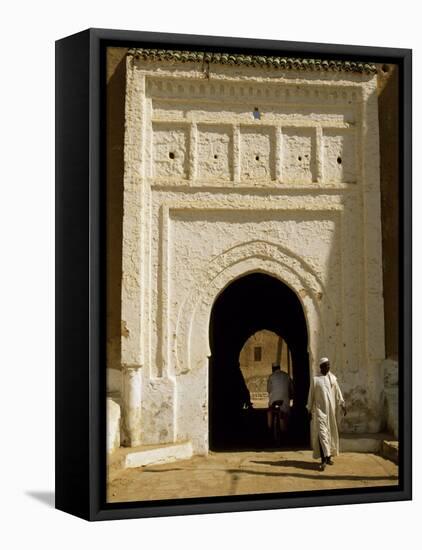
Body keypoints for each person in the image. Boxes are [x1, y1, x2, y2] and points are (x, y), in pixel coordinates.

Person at [306, 357, 347, 471]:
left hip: (331, 412)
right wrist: (309, 409)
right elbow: (311, 396)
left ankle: (328, 457)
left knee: (329, 435)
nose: (328, 367)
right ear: (321, 367)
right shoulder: (316, 380)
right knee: (323, 434)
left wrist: (342, 404)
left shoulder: (333, 378)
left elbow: (338, 393)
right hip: (320, 412)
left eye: (329, 365)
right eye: (326, 365)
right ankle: (323, 460)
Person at [267, 363, 294, 432]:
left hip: (273, 401)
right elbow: (292, 389)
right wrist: (290, 396)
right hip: (284, 401)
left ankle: (269, 427)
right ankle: (286, 429)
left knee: (270, 411)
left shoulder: (271, 377)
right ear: (279, 367)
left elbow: (269, 390)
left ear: (273, 369)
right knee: (286, 414)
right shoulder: (287, 376)